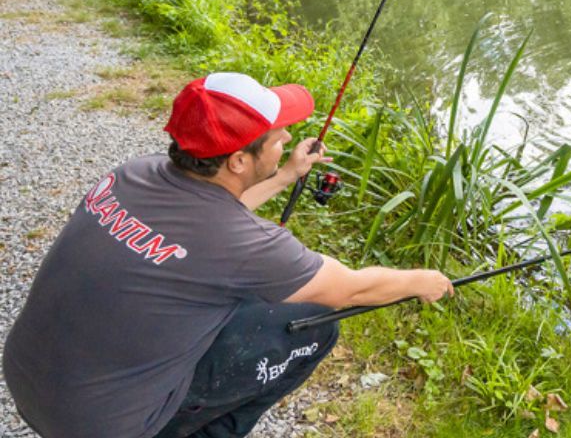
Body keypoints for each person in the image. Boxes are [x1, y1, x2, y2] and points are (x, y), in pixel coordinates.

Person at [3, 72, 454, 438]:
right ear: (238, 161)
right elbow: (351, 289)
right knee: (315, 325)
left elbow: (208, 228)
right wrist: (421, 281)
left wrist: (285, 174)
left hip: (29, 379)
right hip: (102, 427)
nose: (288, 139)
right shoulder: (244, 246)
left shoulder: (134, 173)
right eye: (279, 138)